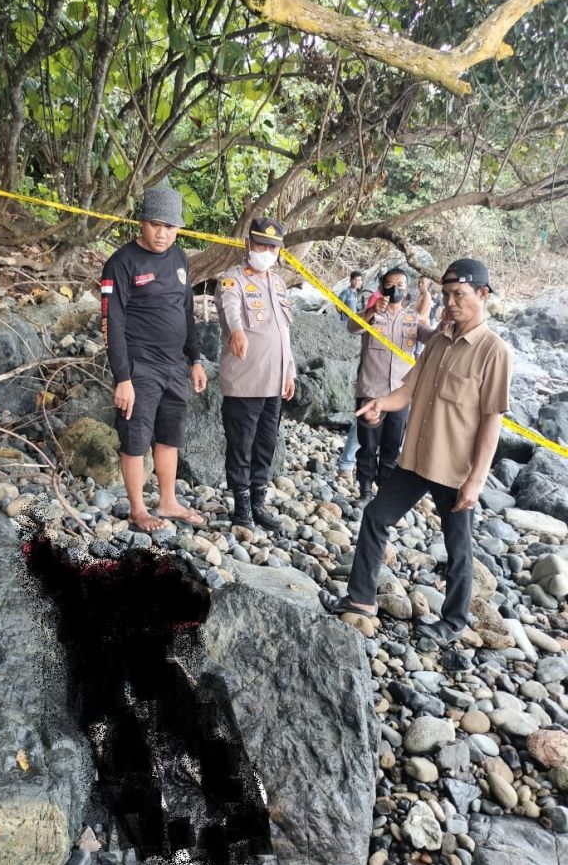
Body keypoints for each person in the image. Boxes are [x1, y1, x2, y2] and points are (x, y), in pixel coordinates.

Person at [323, 258, 513, 647]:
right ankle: (361, 599)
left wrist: (475, 481)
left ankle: (453, 621)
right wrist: (380, 404)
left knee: (458, 547)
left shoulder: (494, 351)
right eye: (446, 295)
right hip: (416, 460)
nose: (451, 303)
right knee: (375, 516)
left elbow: (492, 422)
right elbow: (407, 389)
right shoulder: (440, 340)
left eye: (459, 295)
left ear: (483, 295)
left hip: (455, 469)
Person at [100, 185, 207, 532]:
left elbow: (187, 311)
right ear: (141, 222)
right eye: (156, 224)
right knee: (135, 438)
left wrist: (195, 358)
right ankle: (137, 509)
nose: (163, 234)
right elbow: (112, 323)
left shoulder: (179, 258)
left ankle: (168, 500)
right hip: (139, 366)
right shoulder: (120, 263)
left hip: (175, 365)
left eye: (171, 227)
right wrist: (123, 378)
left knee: (169, 436)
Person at [216, 217, 296, 530]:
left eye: (272, 247)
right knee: (241, 444)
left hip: (275, 381)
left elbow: (284, 333)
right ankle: (241, 508)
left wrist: (289, 371)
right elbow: (230, 308)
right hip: (245, 381)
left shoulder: (278, 283)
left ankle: (259, 504)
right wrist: (236, 331)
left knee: (266, 444)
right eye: (261, 245)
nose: (266, 252)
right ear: (249, 245)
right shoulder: (231, 279)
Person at [348, 268, 433, 506]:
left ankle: (384, 490)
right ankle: (364, 490)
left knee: (392, 445)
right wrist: (371, 312)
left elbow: (429, 337)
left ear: (408, 289)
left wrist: (442, 327)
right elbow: (352, 328)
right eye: (390, 283)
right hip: (370, 390)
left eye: (401, 284)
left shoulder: (412, 319)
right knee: (368, 445)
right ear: (382, 287)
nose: (396, 288)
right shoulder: (373, 314)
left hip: (400, 394)